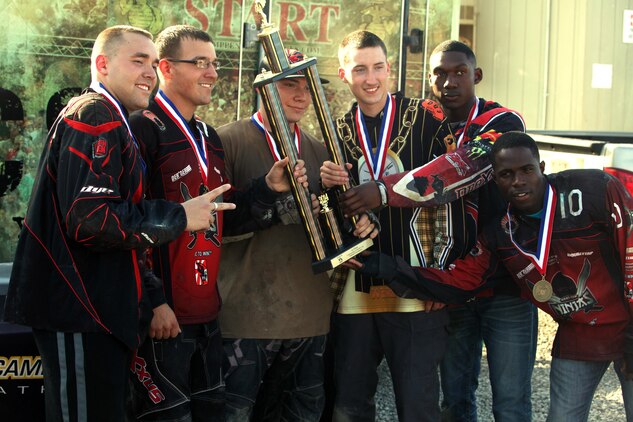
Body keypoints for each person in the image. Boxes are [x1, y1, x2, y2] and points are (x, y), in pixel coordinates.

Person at [2, 25, 227, 422]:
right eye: (137, 61)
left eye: (153, 64)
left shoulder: (114, 117)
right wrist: (179, 216)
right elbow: (89, 220)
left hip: (99, 314)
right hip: (78, 310)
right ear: (102, 64)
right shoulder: (95, 115)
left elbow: (118, 230)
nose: (149, 72)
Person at [353, 131, 633, 422]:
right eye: (506, 174)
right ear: (495, 179)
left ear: (542, 168)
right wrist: (381, 266)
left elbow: (631, 250)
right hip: (579, 336)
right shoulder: (501, 233)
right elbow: (460, 280)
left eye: (527, 170)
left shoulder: (593, 189)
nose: (518, 181)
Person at [333, 40, 537, 421]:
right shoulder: (424, 119)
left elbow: (462, 167)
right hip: (452, 280)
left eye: (459, 73)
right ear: (428, 80)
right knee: (454, 398)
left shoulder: (502, 121)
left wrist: (381, 190)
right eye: (440, 74)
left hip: (503, 280)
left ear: (476, 76)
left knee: (510, 401)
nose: (449, 82)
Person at [128, 25, 304, 421]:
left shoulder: (209, 135)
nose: (212, 73)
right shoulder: (142, 128)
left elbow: (223, 217)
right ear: (167, 68)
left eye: (214, 63)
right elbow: (129, 224)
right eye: (200, 63)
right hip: (163, 321)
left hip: (209, 316)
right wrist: (153, 302)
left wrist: (267, 189)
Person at [320, 30, 476, 422]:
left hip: (415, 282)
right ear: (343, 74)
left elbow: (454, 196)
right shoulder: (335, 133)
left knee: (417, 400)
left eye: (377, 67)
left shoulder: (427, 118)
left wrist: (442, 277)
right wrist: (329, 193)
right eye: (359, 69)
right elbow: (326, 211)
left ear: (389, 69)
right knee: (350, 398)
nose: (370, 79)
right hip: (356, 284)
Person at [216, 47, 375, 422]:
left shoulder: (321, 151)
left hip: (311, 314)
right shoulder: (227, 141)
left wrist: (350, 209)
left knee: (301, 413)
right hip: (245, 315)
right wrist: (269, 194)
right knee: (234, 412)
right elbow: (217, 226)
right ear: (263, 88)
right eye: (289, 86)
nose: (302, 96)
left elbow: (330, 228)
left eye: (308, 86)